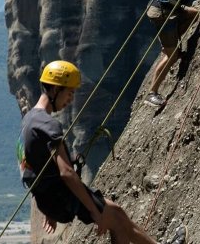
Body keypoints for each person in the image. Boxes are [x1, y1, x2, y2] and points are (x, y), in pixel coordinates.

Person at [18, 60, 186, 243]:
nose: (70, 99)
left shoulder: (29, 120)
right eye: (69, 92)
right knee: (116, 216)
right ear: (56, 89)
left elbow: (30, 167)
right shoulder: (48, 125)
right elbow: (66, 172)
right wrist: (94, 211)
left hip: (51, 197)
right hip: (62, 194)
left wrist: (46, 206)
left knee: (117, 220)